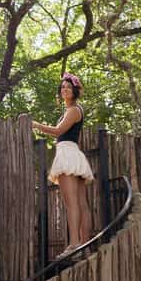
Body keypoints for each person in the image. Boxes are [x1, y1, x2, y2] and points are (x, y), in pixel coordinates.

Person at [31, 72, 93, 250]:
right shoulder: (71, 110)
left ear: (75, 90)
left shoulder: (74, 110)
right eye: (63, 87)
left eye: (68, 87)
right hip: (73, 153)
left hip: (67, 153)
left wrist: (35, 125)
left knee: (72, 203)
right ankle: (85, 245)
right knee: (81, 203)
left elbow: (58, 131)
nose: (65, 89)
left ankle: (74, 245)